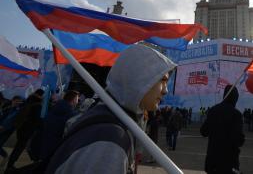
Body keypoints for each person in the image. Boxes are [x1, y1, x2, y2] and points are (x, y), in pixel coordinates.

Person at [44, 44, 176, 174]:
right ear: (139, 78)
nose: (165, 90)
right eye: (162, 80)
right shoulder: (109, 140)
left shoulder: (113, 121)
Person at [201, 85, 244, 174]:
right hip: (229, 163)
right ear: (235, 98)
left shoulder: (213, 110)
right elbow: (239, 141)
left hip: (212, 162)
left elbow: (203, 132)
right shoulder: (236, 114)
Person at [6, 90, 44, 170]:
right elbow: (37, 119)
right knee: (20, 147)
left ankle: (10, 164)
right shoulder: (38, 105)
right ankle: (10, 165)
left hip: (21, 127)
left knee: (19, 146)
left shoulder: (28, 100)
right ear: (41, 95)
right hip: (28, 129)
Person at [38, 90, 80, 160]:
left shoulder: (55, 107)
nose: (78, 101)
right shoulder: (71, 114)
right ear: (74, 99)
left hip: (44, 141)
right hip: (56, 145)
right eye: (77, 99)